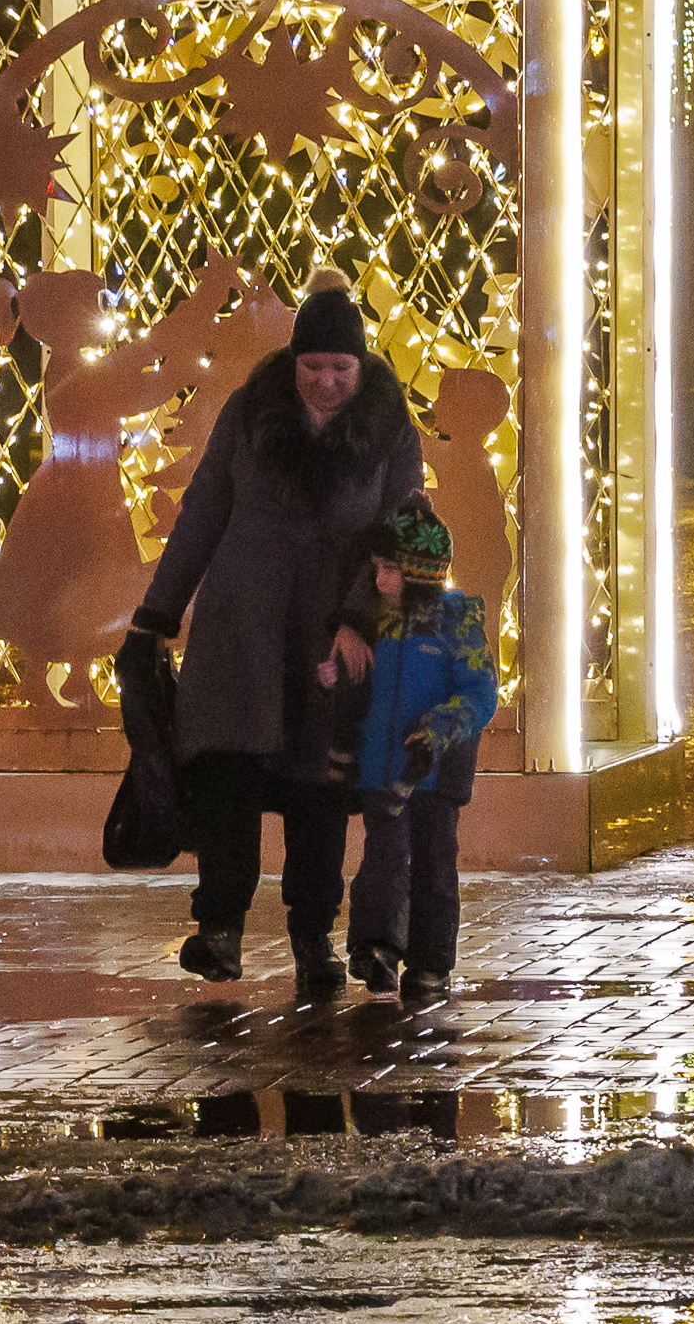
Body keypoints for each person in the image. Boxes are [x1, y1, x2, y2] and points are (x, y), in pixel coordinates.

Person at [120, 278, 418, 996]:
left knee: (318, 790)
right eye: (312, 366)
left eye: (339, 369)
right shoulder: (251, 410)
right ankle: (218, 927)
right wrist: (157, 612)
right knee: (226, 776)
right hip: (239, 629)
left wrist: (358, 619)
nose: (325, 382)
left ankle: (313, 936)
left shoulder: (388, 428)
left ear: (361, 366)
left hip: (327, 637)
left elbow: (401, 532)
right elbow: (202, 512)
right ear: (294, 363)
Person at [346, 499, 497, 1002]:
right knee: (383, 856)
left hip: (435, 769)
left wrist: (443, 726)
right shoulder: (377, 621)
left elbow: (480, 692)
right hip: (385, 767)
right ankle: (376, 949)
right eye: (377, 569)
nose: (380, 579)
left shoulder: (456, 621)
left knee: (434, 862)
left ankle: (430, 961)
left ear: (417, 572)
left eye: (389, 569)